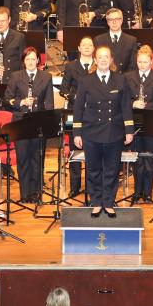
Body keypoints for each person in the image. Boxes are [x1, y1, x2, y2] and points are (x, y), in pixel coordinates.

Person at [73, 46, 134, 217]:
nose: (103, 60)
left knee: (112, 169)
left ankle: (108, 202)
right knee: (93, 169)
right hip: (91, 132)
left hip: (113, 132)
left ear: (111, 59)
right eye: (100, 57)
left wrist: (129, 130)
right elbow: (78, 109)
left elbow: (126, 108)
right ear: (95, 59)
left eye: (106, 57)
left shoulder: (120, 80)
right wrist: (77, 133)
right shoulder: (85, 81)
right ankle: (96, 201)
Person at [3, 47, 53, 203]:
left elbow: (49, 103)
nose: (31, 62)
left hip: (38, 123)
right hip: (20, 123)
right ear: (23, 61)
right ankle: (25, 194)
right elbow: (7, 99)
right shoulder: (16, 76)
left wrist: (46, 120)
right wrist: (21, 102)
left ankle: (37, 193)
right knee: (23, 159)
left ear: (38, 60)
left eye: (33, 59)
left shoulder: (46, 77)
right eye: (27, 59)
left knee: (38, 159)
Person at [125, 45, 153, 204]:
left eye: (145, 62)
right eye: (139, 62)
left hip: (152, 121)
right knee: (137, 158)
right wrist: (133, 103)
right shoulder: (128, 77)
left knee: (150, 159)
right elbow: (123, 101)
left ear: (151, 61)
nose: (142, 65)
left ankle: (148, 192)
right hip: (135, 121)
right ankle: (137, 192)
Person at [60, 36, 95, 198]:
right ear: (79, 48)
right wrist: (74, 98)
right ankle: (75, 186)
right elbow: (63, 89)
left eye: (90, 45)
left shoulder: (98, 64)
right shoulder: (71, 66)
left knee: (91, 149)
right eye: (84, 45)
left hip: (94, 114)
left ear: (93, 48)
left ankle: (91, 186)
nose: (87, 47)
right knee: (74, 149)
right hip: (74, 112)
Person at [95, 8, 138, 73]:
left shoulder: (131, 40)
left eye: (117, 19)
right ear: (107, 22)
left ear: (122, 20)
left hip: (124, 80)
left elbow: (133, 66)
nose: (114, 22)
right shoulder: (98, 40)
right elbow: (96, 64)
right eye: (111, 19)